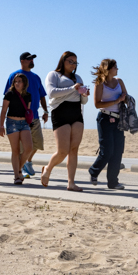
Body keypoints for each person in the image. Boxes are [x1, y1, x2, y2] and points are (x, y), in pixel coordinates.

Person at [42, 51, 91, 190]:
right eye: (70, 61)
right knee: (62, 151)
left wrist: (85, 94)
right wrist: (72, 88)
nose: (73, 64)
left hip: (76, 113)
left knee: (74, 149)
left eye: (75, 62)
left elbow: (84, 101)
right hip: (60, 112)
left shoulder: (78, 77)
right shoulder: (54, 74)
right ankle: (48, 168)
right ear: (63, 61)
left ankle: (71, 182)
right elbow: (51, 93)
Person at [3, 53, 47, 178]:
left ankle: (26, 162)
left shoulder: (36, 77)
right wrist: (4, 122)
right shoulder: (14, 76)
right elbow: (7, 95)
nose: (32, 61)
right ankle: (19, 172)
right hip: (18, 119)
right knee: (19, 149)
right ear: (22, 61)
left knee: (37, 144)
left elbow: (42, 95)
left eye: (32, 59)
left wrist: (46, 111)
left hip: (34, 117)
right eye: (29, 59)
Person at [87, 58, 128, 189]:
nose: (117, 69)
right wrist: (116, 101)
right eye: (115, 67)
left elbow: (125, 97)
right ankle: (94, 171)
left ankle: (113, 182)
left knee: (118, 151)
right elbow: (97, 104)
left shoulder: (119, 81)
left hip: (118, 119)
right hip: (105, 118)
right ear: (108, 68)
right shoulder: (100, 83)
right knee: (107, 150)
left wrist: (126, 100)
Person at [1, 72, 36, 185]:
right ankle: (16, 176)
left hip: (24, 123)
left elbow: (28, 111)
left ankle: (19, 168)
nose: (17, 83)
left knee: (29, 148)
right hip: (12, 123)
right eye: (15, 81)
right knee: (15, 150)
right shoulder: (9, 94)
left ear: (24, 83)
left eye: (19, 81)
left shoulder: (28, 95)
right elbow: (3, 110)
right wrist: (1, 126)